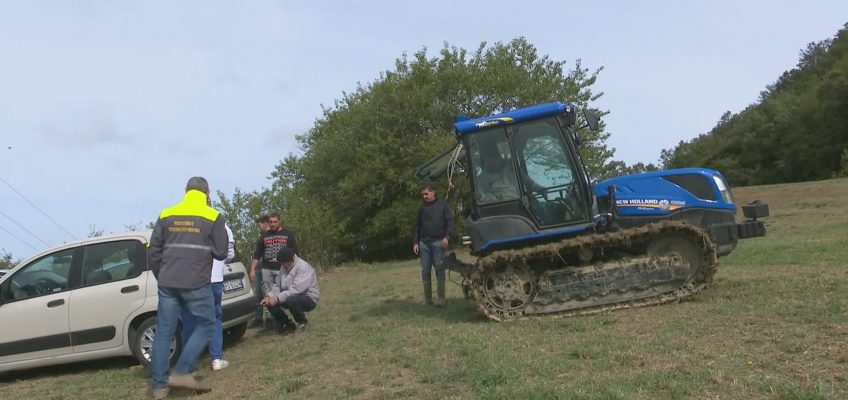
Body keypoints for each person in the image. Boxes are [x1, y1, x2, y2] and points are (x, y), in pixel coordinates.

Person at [147, 177, 228, 399]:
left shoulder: (166, 214)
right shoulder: (212, 216)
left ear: (186, 191)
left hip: (167, 283)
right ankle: (182, 372)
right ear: (207, 193)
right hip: (196, 282)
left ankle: (159, 386)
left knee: (164, 331)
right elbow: (221, 252)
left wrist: (162, 276)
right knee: (208, 324)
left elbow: (153, 253)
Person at [179, 216, 235, 371]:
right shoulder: (221, 225)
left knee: (190, 319)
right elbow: (229, 253)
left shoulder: (185, 225)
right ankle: (217, 359)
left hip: (191, 279)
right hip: (214, 278)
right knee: (214, 318)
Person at [250, 213, 299, 322]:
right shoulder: (264, 236)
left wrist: (295, 268)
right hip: (267, 269)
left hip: (282, 269)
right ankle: (274, 319)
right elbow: (257, 255)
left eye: (275, 222)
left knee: (285, 293)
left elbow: (295, 252)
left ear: (279, 221)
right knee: (268, 294)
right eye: (271, 222)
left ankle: (294, 316)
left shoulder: (287, 234)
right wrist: (252, 270)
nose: (273, 224)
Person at [412, 182, 454, 307]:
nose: (424, 196)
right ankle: (428, 300)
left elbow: (450, 221)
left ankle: (441, 299)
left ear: (433, 192)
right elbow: (417, 226)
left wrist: (447, 237)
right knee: (425, 271)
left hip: (438, 242)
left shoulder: (443, 205)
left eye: (426, 193)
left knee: (440, 269)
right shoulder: (422, 208)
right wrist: (415, 242)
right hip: (424, 244)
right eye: (423, 195)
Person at [260, 247, 320, 333]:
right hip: (289, 296)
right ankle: (287, 324)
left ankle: (302, 323)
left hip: (309, 298)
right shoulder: (283, 267)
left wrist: (276, 299)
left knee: (291, 300)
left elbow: (296, 289)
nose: (282, 265)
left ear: (290, 260)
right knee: (269, 304)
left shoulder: (303, 267)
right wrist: (269, 297)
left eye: (283, 263)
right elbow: (277, 286)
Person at [249, 214, 270, 327]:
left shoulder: (271, 236)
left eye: (259, 225)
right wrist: (253, 269)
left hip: (267, 269)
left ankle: (270, 317)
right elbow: (257, 255)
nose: (258, 227)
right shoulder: (261, 237)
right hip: (260, 268)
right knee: (258, 293)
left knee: (267, 291)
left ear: (265, 223)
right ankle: (258, 317)